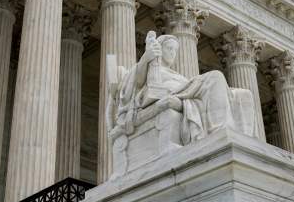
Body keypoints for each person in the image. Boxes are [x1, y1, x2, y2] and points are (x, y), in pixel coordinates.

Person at [109, 32, 257, 144]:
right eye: (169, 49)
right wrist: (147, 57)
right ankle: (220, 133)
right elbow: (137, 83)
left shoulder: (176, 74)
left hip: (186, 92)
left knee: (243, 95)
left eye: (175, 50)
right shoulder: (149, 67)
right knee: (215, 77)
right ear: (159, 49)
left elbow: (189, 87)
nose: (173, 53)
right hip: (174, 93)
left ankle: (244, 142)